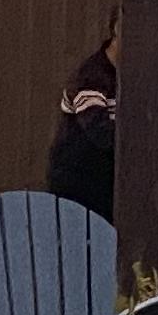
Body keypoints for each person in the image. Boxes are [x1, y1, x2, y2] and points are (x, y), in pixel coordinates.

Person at [44, 21, 116, 218]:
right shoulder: (91, 77)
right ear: (117, 31)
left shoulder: (134, 77)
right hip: (80, 183)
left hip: (109, 182)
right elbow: (100, 133)